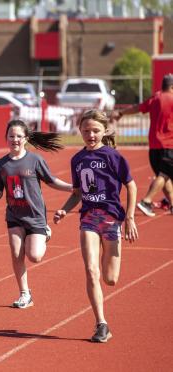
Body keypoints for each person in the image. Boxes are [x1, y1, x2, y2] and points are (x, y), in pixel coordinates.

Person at [54, 109, 138, 343]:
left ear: (104, 131)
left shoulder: (113, 156)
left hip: (111, 219)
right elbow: (78, 193)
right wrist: (64, 209)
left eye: (95, 131)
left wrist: (130, 217)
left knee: (110, 279)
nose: (91, 135)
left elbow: (131, 186)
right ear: (79, 131)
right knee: (92, 271)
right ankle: (101, 324)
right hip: (89, 218)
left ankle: (110, 253)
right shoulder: (77, 160)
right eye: (86, 131)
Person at [0, 119, 72, 309]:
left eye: (19, 136)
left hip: (35, 216)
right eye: (11, 136)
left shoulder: (35, 160)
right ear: (6, 138)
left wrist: (72, 188)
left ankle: (44, 233)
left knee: (35, 256)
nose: (15, 139)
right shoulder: (1, 164)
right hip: (14, 216)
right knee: (16, 253)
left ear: (26, 139)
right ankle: (24, 294)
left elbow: (51, 181)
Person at [112, 74, 173, 217]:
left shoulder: (155, 97)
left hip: (153, 146)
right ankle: (146, 201)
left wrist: (121, 112)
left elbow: (137, 108)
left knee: (164, 176)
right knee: (165, 175)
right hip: (168, 144)